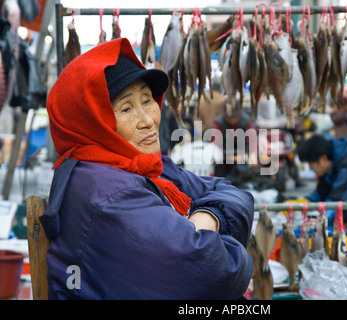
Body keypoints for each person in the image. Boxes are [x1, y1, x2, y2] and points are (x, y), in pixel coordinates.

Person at [39, 38, 254, 299]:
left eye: (148, 100)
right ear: (92, 122)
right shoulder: (108, 192)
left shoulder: (142, 165)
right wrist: (222, 241)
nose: (147, 120)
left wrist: (206, 219)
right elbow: (216, 270)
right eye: (126, 108)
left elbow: (233, 193)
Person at [211, 104, 258, 186]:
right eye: (229, 117)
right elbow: (214, 147)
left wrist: (253, 154)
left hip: (242, 155)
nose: (232, 120)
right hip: (223, 158)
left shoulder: (246, 121)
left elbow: (253, 140)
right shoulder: (218, 123)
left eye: (234, 117)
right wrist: (231, 157)